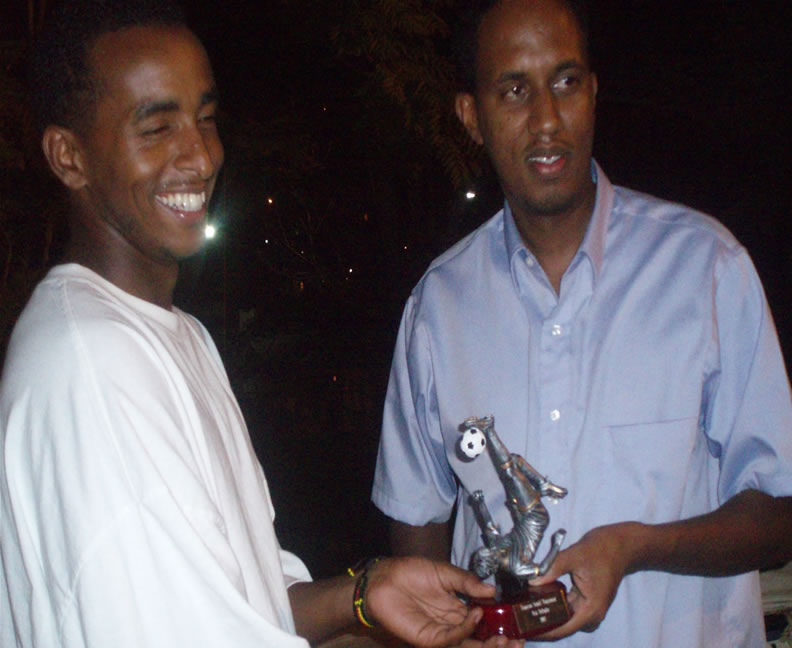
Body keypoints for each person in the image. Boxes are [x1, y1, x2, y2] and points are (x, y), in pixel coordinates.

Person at [0, 2, 523, 647]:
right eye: (156, 127)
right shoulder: (92, 367)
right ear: (68, 156)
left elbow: (248, 605)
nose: (201, 155)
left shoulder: (175, 335)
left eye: (205, 118)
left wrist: (364, 598)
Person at [371, 0, 792, 645]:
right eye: (515, 90)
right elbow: (415, 520)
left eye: (565, 82)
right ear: (472, 117)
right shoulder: (438, 306)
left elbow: (780, 511)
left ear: (593, 94)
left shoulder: (706, 269)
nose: (546, 119)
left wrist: (636, 545)